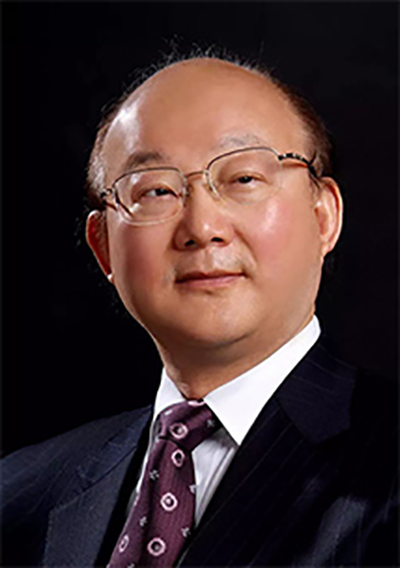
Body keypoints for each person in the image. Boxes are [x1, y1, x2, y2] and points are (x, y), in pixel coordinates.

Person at [2, 53, 397, 567]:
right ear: (103, 248)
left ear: (324, 217)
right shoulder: (19, 496)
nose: (202, 227)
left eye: (244, 179)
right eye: (156, 190)